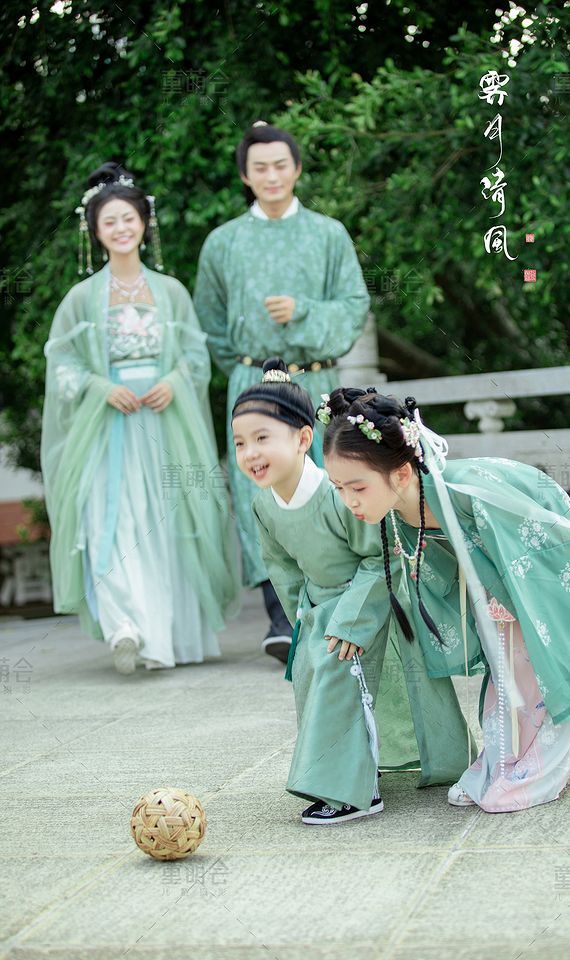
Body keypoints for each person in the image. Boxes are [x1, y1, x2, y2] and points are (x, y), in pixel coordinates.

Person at [321, 387, 570, 813]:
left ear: (401, 474)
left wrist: (508, 596)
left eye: (357, 487)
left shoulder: (469, 494)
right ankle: (500, 761)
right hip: (499, 574)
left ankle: (537, 770)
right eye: (339, 488)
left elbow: (538, 545)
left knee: (533, 664)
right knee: (503, 667)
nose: (349, 501)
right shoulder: (400, 509)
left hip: (533, 556)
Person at [231, 358, 475, 823]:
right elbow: (282, 568)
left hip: (368, 600)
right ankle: (354, 772)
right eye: (240, 443)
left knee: (339, 677)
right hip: (320, 608)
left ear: (303, 439)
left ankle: (353, 792)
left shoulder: (338, 493)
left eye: (263, 438)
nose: (250, 453)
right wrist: (302, 618)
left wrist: (350, 621)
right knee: (314, 680)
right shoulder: (264, 506)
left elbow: (379, 557)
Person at [41, 162, 240, 675]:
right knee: (106, 519)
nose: (121, 228)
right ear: (95, 231)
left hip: (164, 420)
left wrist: (173, 380)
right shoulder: (81, 299)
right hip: (106, 428)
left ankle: (169, 639)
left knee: (168, 522)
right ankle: (124, 627)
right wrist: (100, 386)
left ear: (145, 223)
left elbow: (194, 357)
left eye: (128, 218)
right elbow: (61, 362)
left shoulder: (170, 291)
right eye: (109, 221)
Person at [194, 122, 370, 663]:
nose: (271, 176)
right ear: (245, 176)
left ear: (296, 169)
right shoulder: (223, 242)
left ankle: (339, 603)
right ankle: (281, 616)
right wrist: (247, 370)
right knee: (263, 484)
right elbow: (210, 321)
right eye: (260, 168)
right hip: (253, 383)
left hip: (314, 379)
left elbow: (354, 305)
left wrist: (304, 313)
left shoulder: (328, 234)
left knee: (327, 481)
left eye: (280, 165)